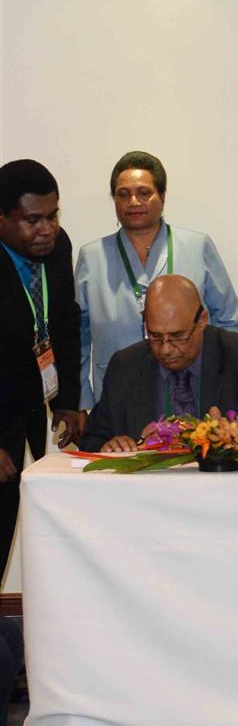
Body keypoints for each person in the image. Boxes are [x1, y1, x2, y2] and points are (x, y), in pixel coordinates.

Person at [75, 150, 238, 411]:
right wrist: (81, 402)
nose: (134, 202)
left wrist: (225, 388)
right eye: (123, 194)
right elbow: (78, 338)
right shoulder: (93, 256)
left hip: (191, 390)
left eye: (144, 193)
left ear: (162, 197)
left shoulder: (196, 247)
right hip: (118, 393)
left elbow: (229, 322)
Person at [81, 275, 238, 452]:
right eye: (154, 335)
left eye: (178, 336)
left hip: (220, 488)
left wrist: (224, 432)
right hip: (147, 490)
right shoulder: (126, 365)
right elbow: (92, 439)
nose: (165, 349)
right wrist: (111, 446)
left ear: (202, 320)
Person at [0, 159, 82, 579]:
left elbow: (64, 322)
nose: (46, 229)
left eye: (53, 216)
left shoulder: (58, 247)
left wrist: (67, 402)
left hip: (29, 410)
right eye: (33, 220)